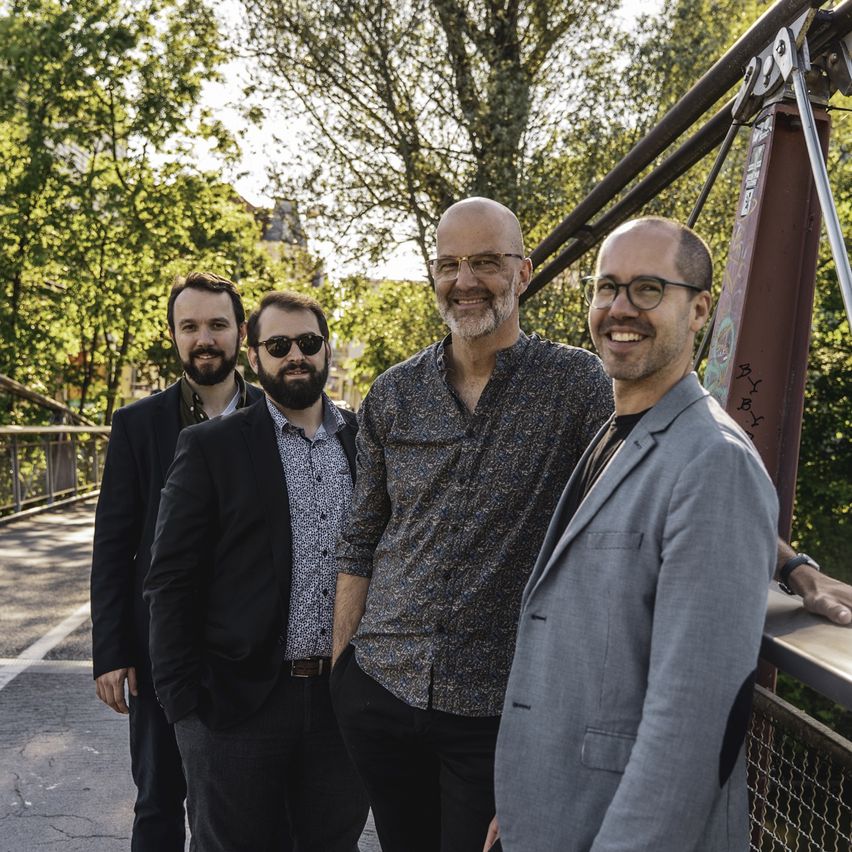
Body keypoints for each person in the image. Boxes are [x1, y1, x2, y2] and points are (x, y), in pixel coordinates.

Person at [330, 197, 614, 852]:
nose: (465, 281)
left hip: (497, 711)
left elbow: (655, 484)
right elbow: (361, 536)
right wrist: (345, 671)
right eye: (449, 264)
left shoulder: (578, 386)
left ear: (524, 272)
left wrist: (785, 562)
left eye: (485, 262)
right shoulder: (394, 393)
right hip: (380, 690)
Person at [490, 217, 778, 851]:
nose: (620, 309)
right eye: (606, 288)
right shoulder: (617, 434)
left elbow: (693, 727)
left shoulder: (715, 462)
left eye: (648, 289)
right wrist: (520, 801)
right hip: (556, 813)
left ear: (700, 308)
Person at [144, 291, 369, 852]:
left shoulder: (366, 441)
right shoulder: (209, 446)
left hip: (341, 705)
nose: (296, 355)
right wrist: (184, 710)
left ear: (327, 350)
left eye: (308, 343)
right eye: (278, 345)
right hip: (237, 706)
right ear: (255, 357)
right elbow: (169, 580)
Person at [90, 271, 263, 851]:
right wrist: (112, 651)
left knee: (243, 808)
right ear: (174, 335)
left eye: (217, 325)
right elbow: (114, 546)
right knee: (159, 799)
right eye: (190, 327)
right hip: (159, 648)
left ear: (241, 333)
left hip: (253, 653)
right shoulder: (138, 425)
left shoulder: (278, 417)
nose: (204, 338)